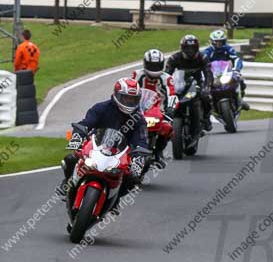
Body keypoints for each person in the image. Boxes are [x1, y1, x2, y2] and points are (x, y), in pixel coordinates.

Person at [59, 78, 149, 206]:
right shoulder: (101, 108)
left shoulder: (139, 119)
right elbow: (86, 123)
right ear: (117, 95)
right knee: (70, 159)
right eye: (126, 98)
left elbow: (142, 140)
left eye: (133, 99)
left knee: (133, 178)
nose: (129, 101)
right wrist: (78, 135)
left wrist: (139, 157)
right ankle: (67, 184)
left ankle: (115, 199)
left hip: (120, 154)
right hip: (96, 145)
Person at [131, 49, 176, 169]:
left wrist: (170, 109)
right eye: (151, 65)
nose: (154, 68)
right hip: (137, 108)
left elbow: (172, 94)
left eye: (157, 65)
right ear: (145, 64)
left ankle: (157, 154)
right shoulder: (137, 74)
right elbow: (129, 89)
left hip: (157, 110)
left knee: (167, 128)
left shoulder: (167, 78)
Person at [166, 34, 214, 131]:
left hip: (197, 84)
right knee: (167, 98)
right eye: (187, 48)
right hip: (180, 85)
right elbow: (166, 75)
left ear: (197, 48)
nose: (190, 51)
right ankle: (168, 117)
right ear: (182, 48)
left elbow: (208, 74)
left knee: (206, 97)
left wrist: (207, 87)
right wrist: (166, 88)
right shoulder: (174, 58)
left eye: (193, 48)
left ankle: (206, 118)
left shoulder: (203, 57)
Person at [203, 29, 248, 106]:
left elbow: (236, 58)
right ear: (212, 41)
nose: (218, 44)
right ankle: (208, 103)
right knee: (204, 85)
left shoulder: (228, 48)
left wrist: (236, 69)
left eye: (220, 42)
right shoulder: (208, 50)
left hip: (227, 71)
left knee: (240, 78)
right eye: (216, 41)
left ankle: (241, 100)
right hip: (213, 73)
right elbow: (203, 60)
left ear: (224, 41)